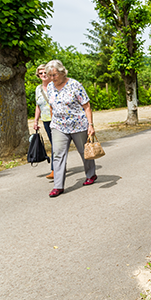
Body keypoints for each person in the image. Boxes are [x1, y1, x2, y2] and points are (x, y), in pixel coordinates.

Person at [45, 60, 97, 197]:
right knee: (58, 154)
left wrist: (90, 125)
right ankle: (58, 186)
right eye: (49, 75)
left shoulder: (75, 85)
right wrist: (52, 123)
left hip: (78, 124)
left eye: (54, 75)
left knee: (83, 152)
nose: (51, 78)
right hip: (58, 126)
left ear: (62, 72)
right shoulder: (50, 87)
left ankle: (91, 175)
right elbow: (51, 106)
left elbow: (87, 106)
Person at [32, 64, 54, 179]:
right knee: (53, 143)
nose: (43, 75)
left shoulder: (54, 85)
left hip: (57, 119)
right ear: (38, 75)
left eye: (45, 72)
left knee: (56, 144)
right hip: (46, 120)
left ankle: (54, 170)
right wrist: (35, 121)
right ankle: (58, 166)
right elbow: (38, 106)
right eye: (41, 73)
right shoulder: (38, 89)